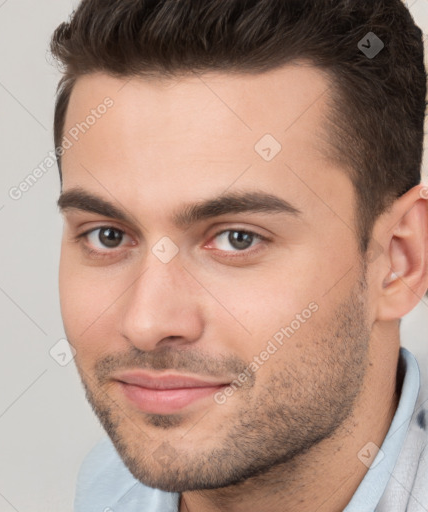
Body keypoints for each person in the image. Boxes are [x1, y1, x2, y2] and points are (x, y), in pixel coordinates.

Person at [49, 1, 428, 510]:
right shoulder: (106, 490)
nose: (146, 323)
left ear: (400, 261)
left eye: (237, 239)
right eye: (108, 236)